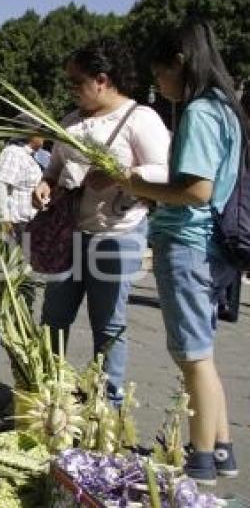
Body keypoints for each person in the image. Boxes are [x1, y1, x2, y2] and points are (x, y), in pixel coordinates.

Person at [117, 20, 242, 484]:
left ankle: (202, 458)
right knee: (202, 355)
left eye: (160, 76)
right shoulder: (226, 109)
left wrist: (136, 183)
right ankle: (223, 449)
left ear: (180, 63)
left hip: (189, 244)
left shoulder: (200, 113)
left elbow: (196, 190)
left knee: (192, 358)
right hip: (212, 247)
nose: (160, 87)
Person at [33, 37, 170, 404]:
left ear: (102, 80)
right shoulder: (70, 122)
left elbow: (164, 173)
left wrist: (119, 175)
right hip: (69, 234)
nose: (71, 89)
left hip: (117, 235)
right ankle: (46, 391)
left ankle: (106, 405)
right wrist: (45, 183)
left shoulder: (140, 119)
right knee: (53, 317)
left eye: (76, 82)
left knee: (108, 323)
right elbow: (56, 166)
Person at [0, 136, 45, 242]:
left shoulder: (28, 155)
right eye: (42, 134)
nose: (44, 138)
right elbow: (1, 185)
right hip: (18, 223)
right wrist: (5, 219)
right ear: (32, 134)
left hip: (29, 221)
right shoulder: (13, 153)